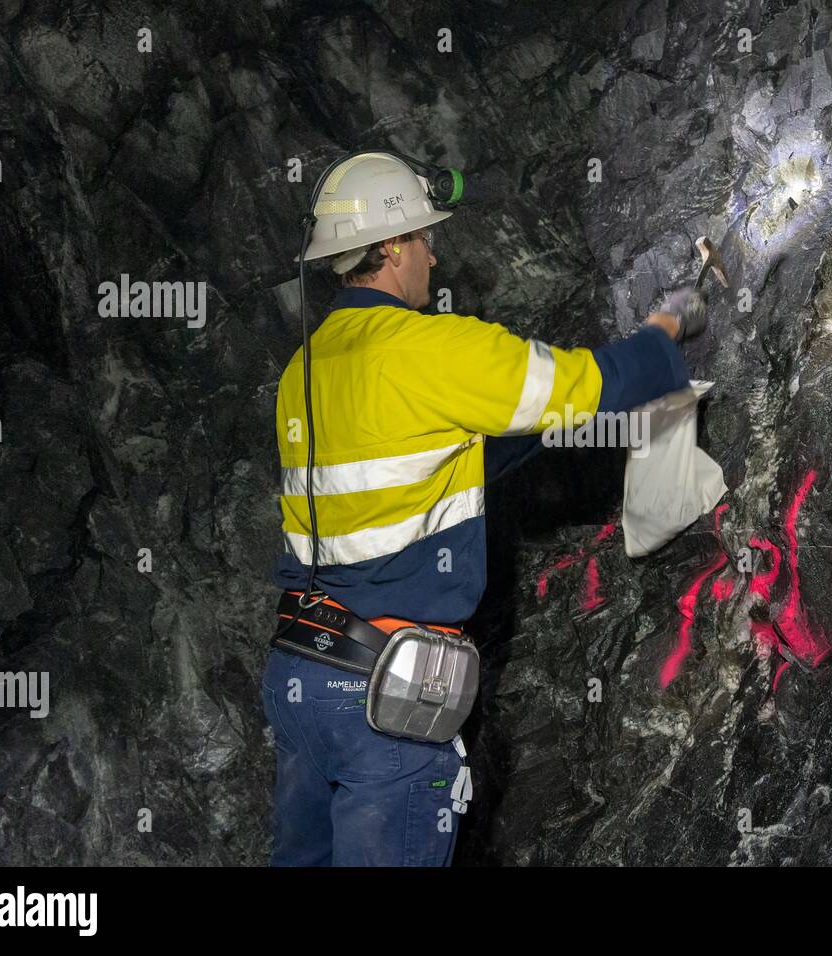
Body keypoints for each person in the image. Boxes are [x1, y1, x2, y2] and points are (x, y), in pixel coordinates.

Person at [262, 152, 706, 866]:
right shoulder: (433, 347)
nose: (434, 258)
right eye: (426, 240)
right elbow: (585, 386)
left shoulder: (303, 371)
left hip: (300, 679)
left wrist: (524, 445)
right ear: (396, 246)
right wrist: (664, 333)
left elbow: (427, 465)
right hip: (383, 696)